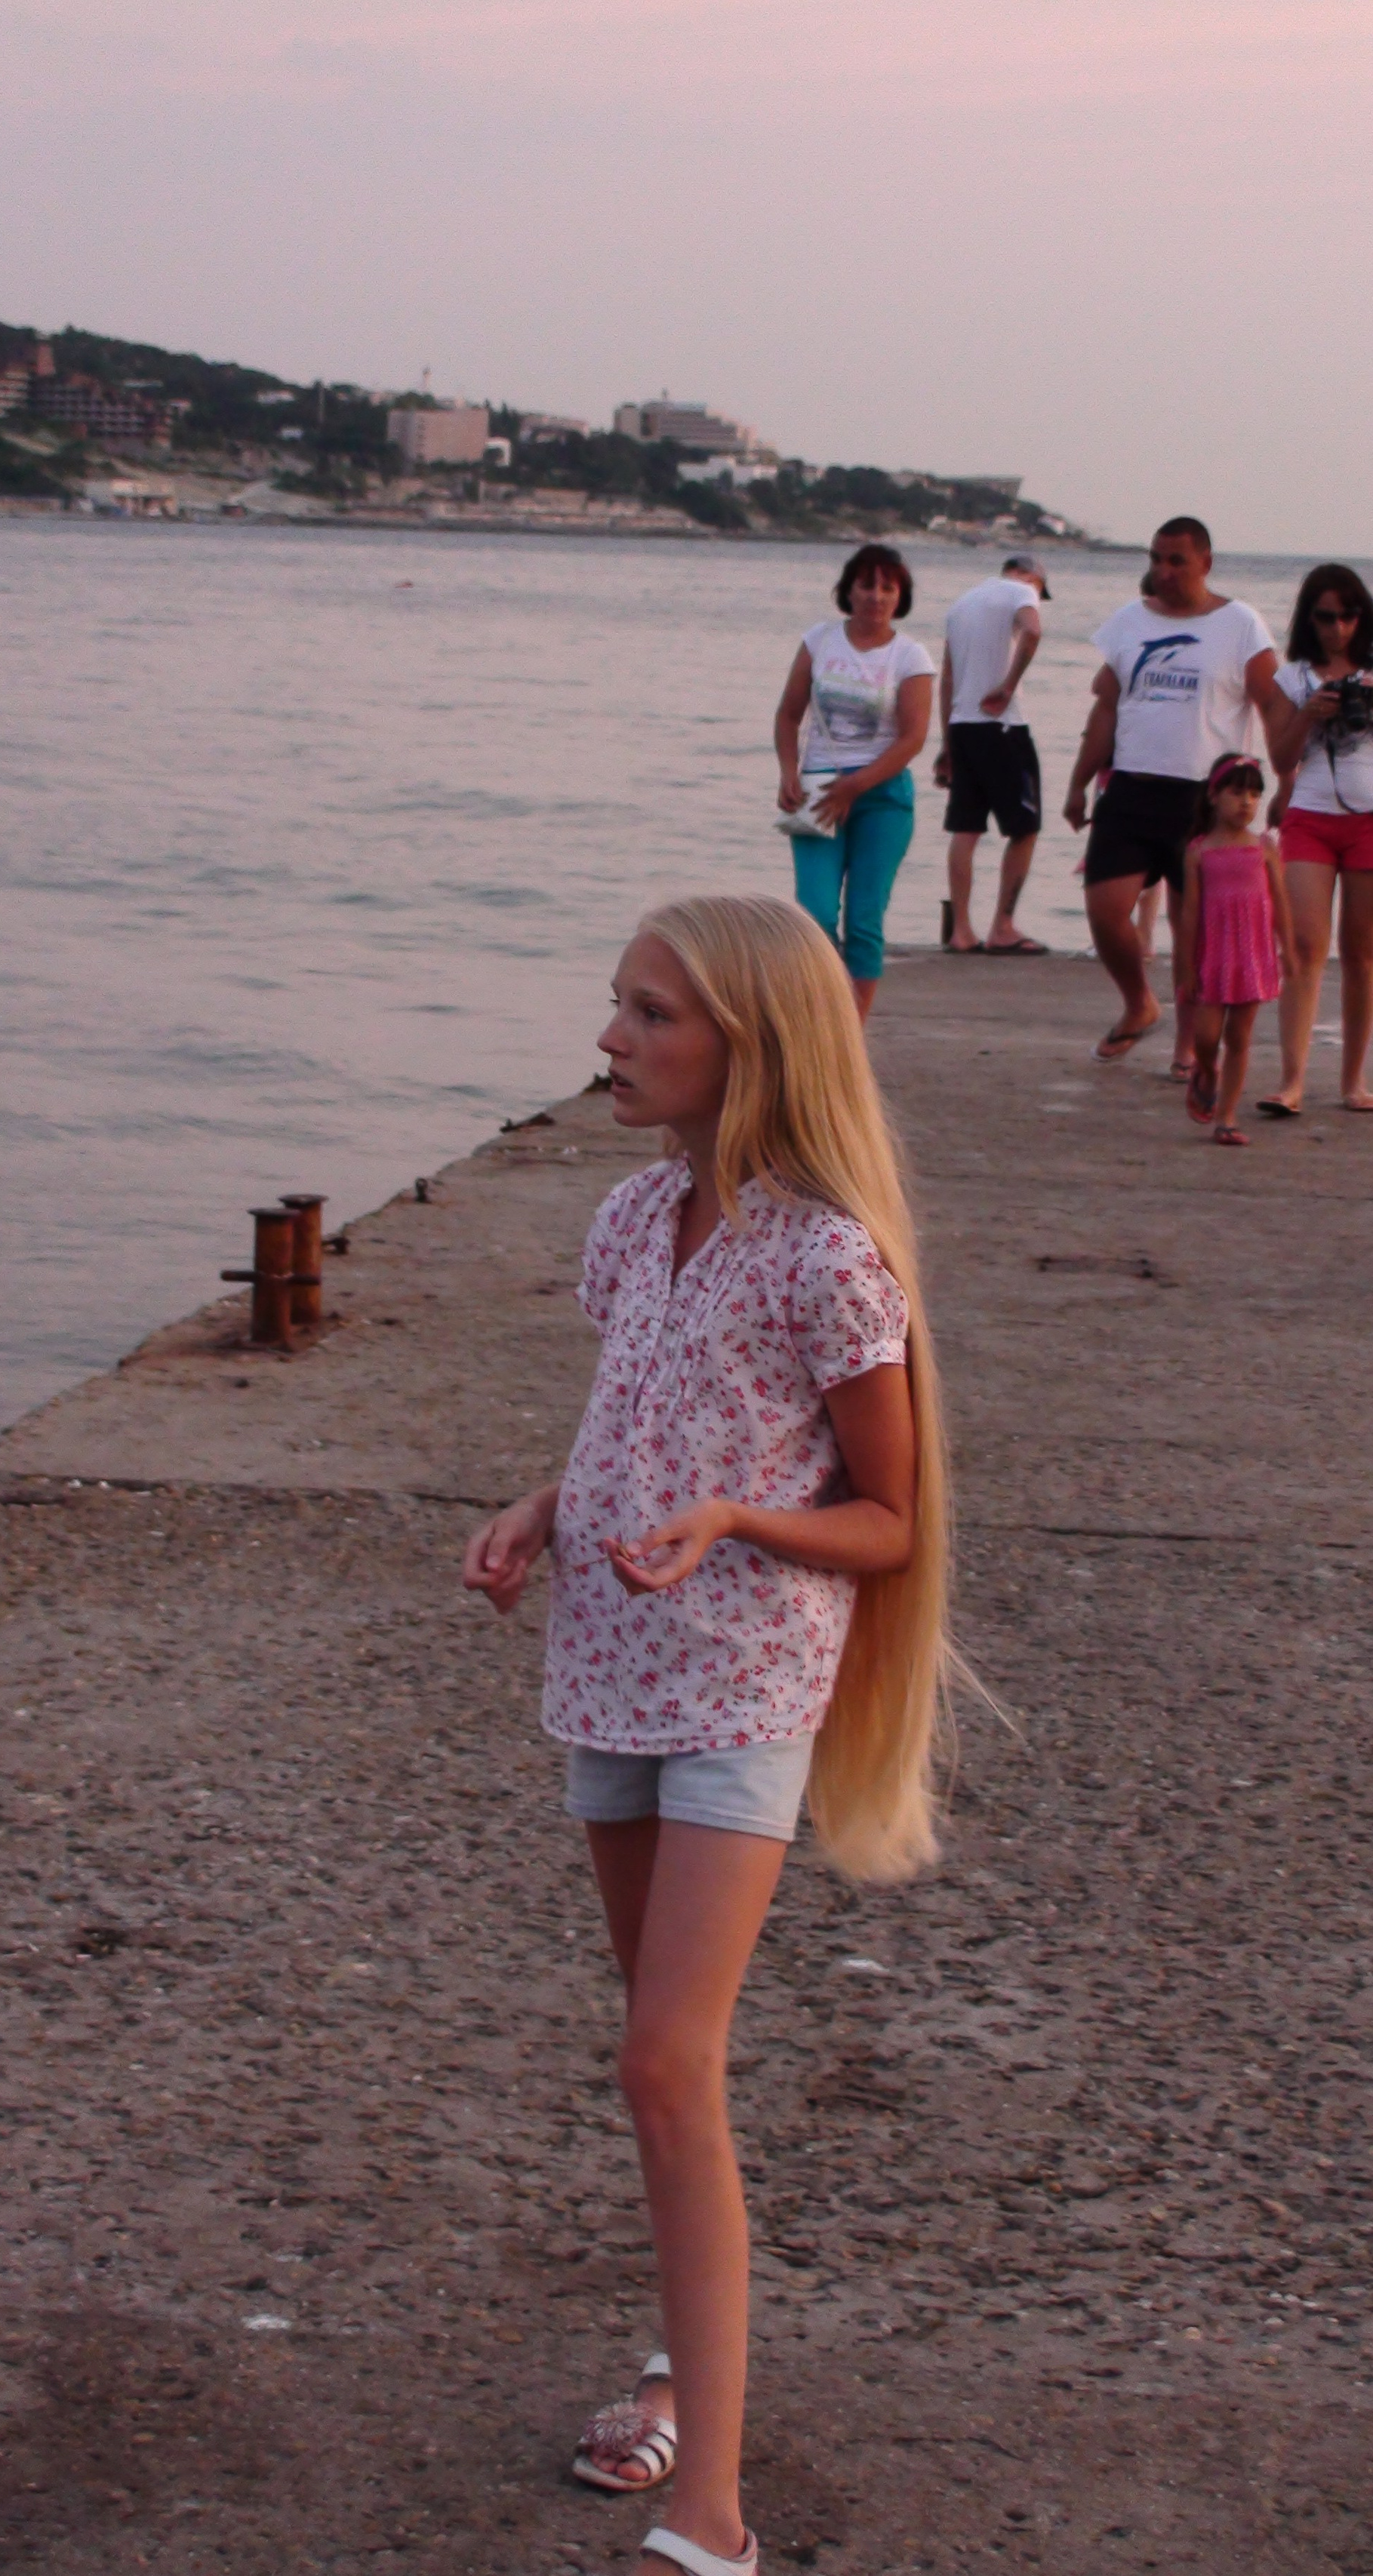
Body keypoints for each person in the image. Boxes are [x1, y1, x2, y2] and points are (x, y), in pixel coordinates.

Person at [462, 894, 948, 2576]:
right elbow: (637, 1419)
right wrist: (541, 1504)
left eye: (651, 1012)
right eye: (618, 1003)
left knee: (664, 2061)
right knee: (668, 2062)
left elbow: (891, 1516)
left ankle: (713, 2516)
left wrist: (738, 1517)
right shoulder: (627, 1218)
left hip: (743, 1684)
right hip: (609, 1662)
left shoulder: (828, 1258)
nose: (610, 1037)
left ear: (754, 1043)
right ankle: (683, 2363)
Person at [1064, 517, 1278, 1066]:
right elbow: (1106, 707)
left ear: (1205, 562)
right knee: (1105, 908)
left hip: (1203, 796)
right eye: (1156, 559)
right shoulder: (1129, 622)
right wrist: (1078, 783)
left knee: (1193, 929)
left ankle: (1190, 1045)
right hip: (1132, 786)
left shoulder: (1241, 624)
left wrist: (1285, 780)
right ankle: (1139, 1003)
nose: (1164, 571)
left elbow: (1272, 706)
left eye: (1176, 560)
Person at [774, 545, 933, 1020]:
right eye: (866, 585)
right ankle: (819, 1014)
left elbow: (913, 738)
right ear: (848, 590)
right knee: (816, 913)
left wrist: (857, 785)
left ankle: (851, 1028)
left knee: (865, 918)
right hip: (821, 790)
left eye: (887, 587)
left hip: (882, 795)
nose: (875, 597)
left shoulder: (910, 656)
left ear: (900, 596)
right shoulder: (819, 641)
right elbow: (788, 715)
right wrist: (788, 772)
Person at [1258, 562, 1373, 1115]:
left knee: (1362, 955)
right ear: (1310, 619)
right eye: (1327, 617)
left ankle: (1353, 1081)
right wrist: (1308, 715)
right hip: (1310, 814)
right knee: (1303, 949)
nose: (1339, 628)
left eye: (1349, 616)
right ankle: (1292, 1082)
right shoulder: (1293, 678)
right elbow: (1281, 759)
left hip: (1369, 817)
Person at [933, 553, 1051, 953]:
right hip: (1002, 726)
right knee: (1025, 828)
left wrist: (946, 743)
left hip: (963, 726)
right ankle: (1003, 926)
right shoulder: (1022, 592)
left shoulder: (962, 604)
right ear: (1033, 578)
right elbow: (1032, 631)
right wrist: (1008, 685)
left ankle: (961, 930)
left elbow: (948, 677)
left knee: (966, 829)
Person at [1176, 755, 1292, 1146]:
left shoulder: (1264, 848)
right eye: (1237, 792)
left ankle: (1226, 1117)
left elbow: (1280, 902)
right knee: (1206, 1038)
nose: (1247, 802)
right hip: (1213, 957)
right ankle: (1207, 1071)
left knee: (1239, 1038)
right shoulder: (1199, 851)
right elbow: (1190, 913)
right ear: (1214, 796)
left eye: (1255, 795)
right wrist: (1186, 966)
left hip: (1252, 957)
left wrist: (1289, 949)